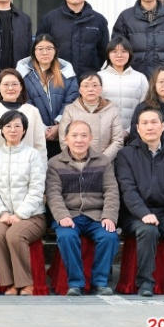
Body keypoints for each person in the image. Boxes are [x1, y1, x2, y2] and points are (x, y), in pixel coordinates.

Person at [115, 107, 164, 297]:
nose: (150, 127)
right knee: (148, 230)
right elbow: (128, 190)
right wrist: (144, 214)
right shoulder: (126, 155)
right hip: (134, 214)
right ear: (137, 128)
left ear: (163, 126)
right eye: (145, 123)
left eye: (154, 122)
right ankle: (145, 282)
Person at [46, 120, 121, 296]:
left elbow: (111, 190)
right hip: (69, 215)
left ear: (90, 138)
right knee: (66, 236)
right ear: (66, 139)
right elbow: (53, 193)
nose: (79, 140)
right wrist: (62, 216)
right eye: (74, 135)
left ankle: (99, 282)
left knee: (109, 237)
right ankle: (75, 283)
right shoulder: (55, 163)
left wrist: (109, 216)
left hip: (96, 215)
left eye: (83, 135)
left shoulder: (103, 161)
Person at [0, 110, 47, 295]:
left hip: (32, 215)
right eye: (8, 126)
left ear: (24, 130)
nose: (12, 130)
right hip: (2, 215)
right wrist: (1, 213)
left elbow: (37, 189)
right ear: (1, 130)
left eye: (17, 126)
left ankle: (26, 283)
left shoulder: (33, 155)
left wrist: (20, 214)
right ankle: (10, 283)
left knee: (14, 234)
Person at [16, 34, 78, 158]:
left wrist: (59, 125)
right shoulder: (24, 74)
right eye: (40, 49)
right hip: (34, 132)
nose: (45, 52)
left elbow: (71, 99)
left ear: (55, 51)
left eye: (49, 48)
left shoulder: (67, 73)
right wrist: (42, 128)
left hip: (64, 132)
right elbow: (24, 101)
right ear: (34, 51)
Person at [36, 0, 110, 77]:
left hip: (87, 79)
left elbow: (104, 50)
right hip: (56, 77)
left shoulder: (98, 20)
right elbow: (39, 48)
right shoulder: (50, 19)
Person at [0, 69, 47, 168]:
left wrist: (41, 170)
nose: (10, 88)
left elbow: (40, 145)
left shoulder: (32, 111)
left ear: (21, 87)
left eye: (14, 84)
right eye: (6, 84)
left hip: (27, 169)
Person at [59, 72, 126, 161]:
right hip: (75, 163)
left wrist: (101, 161)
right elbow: (64, 139)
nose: (90, 89)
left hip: (104, 163)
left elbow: (118, 140)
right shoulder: (70, 110)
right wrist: (78, 159)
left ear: (101, 89)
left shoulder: (112, 110)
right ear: (79, 90)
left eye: (95, 85)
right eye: (86, 86)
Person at [100, 37, 150, 133]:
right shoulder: (99, 77)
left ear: (129, 54)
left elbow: (145, 108)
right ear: (108, 55)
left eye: (124, 51)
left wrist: (129, 131)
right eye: (114, 51)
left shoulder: (140, 78)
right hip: (105, 133)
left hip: (134, 133)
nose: (119, 55)